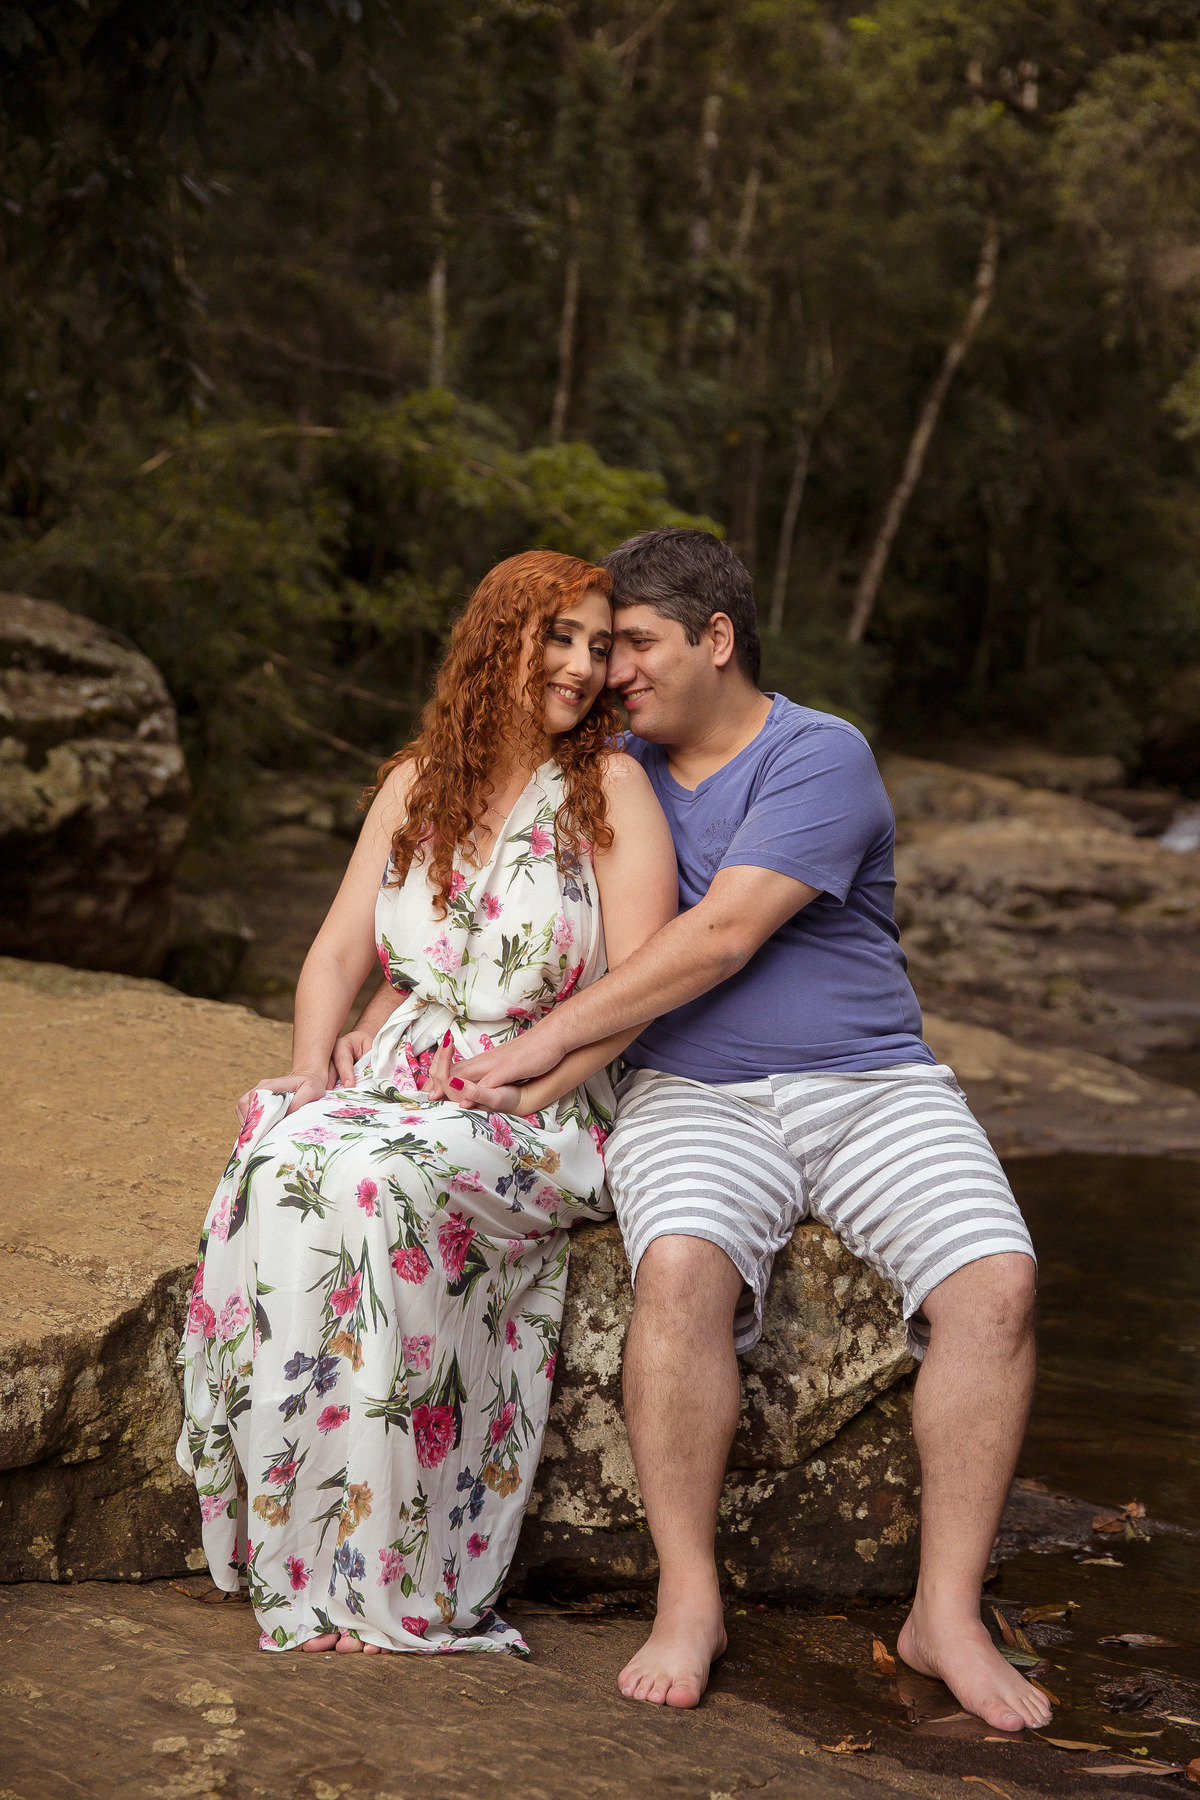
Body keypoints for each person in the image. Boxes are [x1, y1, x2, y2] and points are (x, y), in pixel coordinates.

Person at [440, 529, 1050, 1730]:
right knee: (677, 1275)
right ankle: (688, 1598)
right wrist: (376, 1007)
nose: (614, 673)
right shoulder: (606, 765)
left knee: (998, 1285)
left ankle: (944, 1613)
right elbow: (460, 871)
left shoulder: (819, 755)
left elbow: (718, 938)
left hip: (871, 1081)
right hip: (691, 1091)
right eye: (606, 651)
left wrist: (541, 1047)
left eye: (639, 647)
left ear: (718, 640)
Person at [176, 548, 677, 1655]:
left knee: (374, 1184)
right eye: (562, 637)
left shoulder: (614, 791)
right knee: (280, 1154)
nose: (586, 667)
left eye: (600, 646)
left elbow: (638, 988)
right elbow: (335, 953)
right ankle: (295, 1546)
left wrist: (528, 1080)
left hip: (544, 1096)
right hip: (403, 1074)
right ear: (499, 636)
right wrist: (314, 1063)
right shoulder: (418, 781)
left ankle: (384, 1568)